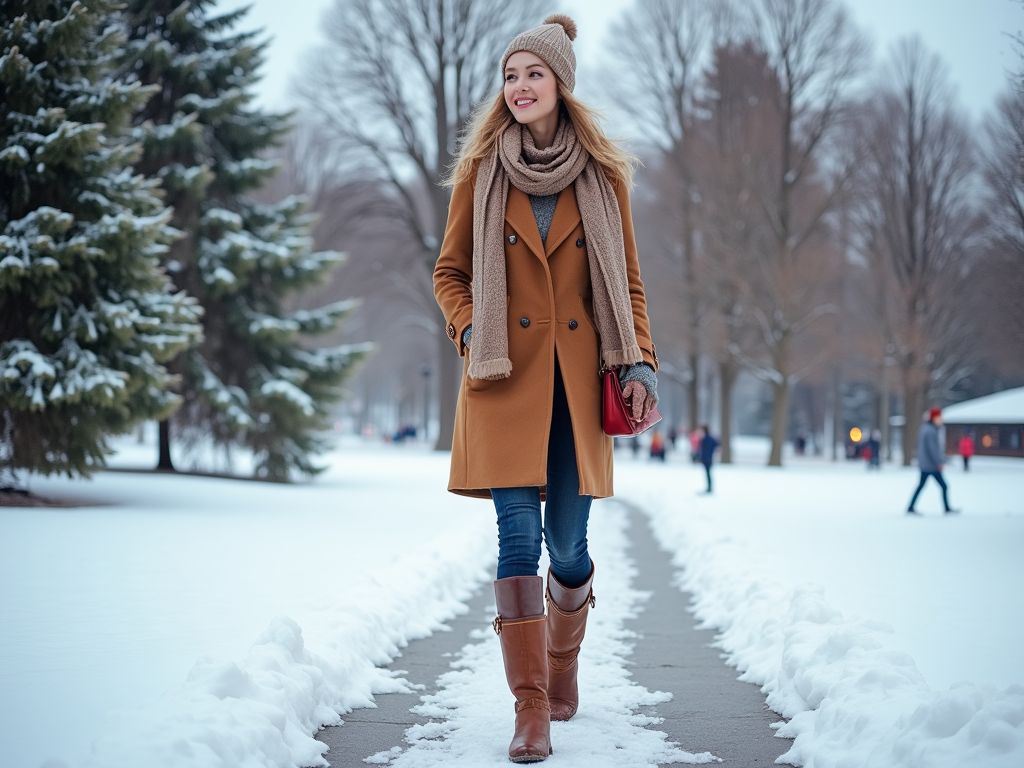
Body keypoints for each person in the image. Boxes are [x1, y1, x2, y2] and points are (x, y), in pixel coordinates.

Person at [432, 14, 659, 762]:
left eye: (533, 73)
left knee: (568, 545)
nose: (519, 86)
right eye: (510, 75)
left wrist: (640, 362)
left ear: (560, 82)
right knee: (517, 539)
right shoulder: (480, 171)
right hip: (502, 383)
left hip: (578, 384)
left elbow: (625, 281)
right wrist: (471, 333)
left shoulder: (604, 177)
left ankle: (561, 665)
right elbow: (450, 273)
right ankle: (529, 708)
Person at [907, 408, 957, 515]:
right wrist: (939, 462)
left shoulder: (926, 428)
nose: (941, 420)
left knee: (921, 486)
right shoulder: (930, 431)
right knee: (944, 486)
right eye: (939, 418)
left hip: (926, 464)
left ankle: (911, 507)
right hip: (931, 466)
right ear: (934, 418)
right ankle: (947, 508)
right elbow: (933, 449)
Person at [699, 424, 719, 493]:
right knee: (708, 474)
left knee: (708, 474)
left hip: (707, 459)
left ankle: (709, 488)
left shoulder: (706, 438)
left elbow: (705, 450)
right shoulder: (709, 437)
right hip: (709, 458)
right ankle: (709, 487)